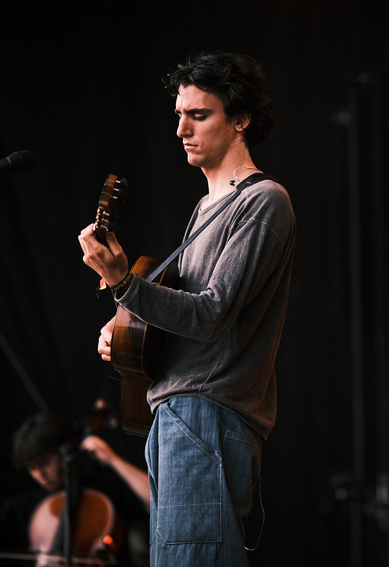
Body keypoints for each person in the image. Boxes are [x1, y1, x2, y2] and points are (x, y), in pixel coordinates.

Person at [78, 50, 295, 566]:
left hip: (206, 416)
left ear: (240, 119)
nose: (181, 129)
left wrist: (123, 283)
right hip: (177, 416)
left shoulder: (263, 201)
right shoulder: (205, 207)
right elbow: (185, 309)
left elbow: (210, 314)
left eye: (198, 114)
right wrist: (127, 323)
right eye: (179, 115)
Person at [0, 412, 150, 564]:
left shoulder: (103, 491)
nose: (40, 475)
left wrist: (112, 459)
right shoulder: (33, 505)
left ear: (64, 449)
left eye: (44, 463)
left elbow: (154, 501)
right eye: (32, 468)